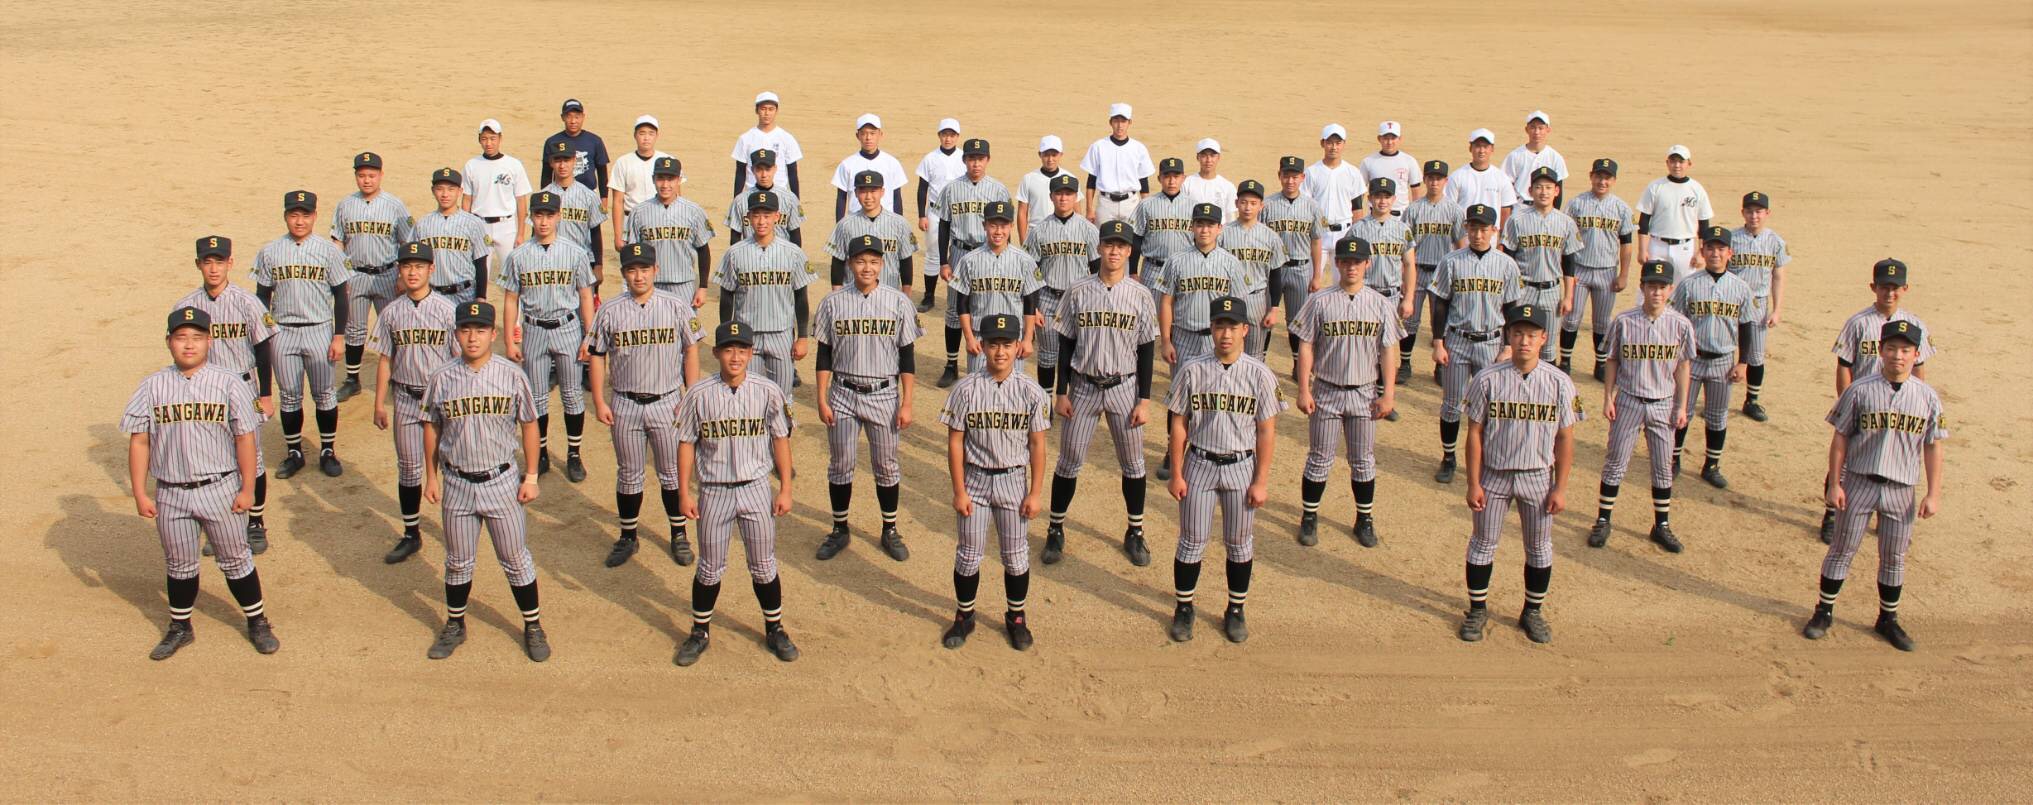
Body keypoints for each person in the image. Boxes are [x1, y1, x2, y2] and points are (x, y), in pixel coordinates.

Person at [125, 306, 275, 660]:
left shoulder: (229, 383)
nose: (188, 345)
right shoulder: (152, 386)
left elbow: (245, 438)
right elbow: (139, 440)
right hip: (171, 492)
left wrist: (249, 489)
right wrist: (139, 492)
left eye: (196, 338)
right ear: (168, 342)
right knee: (179, 565)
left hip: (219, 488)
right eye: (181, 338)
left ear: (209, 341)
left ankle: (257, 621)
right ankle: (181, 626)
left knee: (236, 560)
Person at [1801, 319, 1946, 653]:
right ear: (1880, 351)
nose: (1898, 356)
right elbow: (1840, 438)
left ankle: (1888, 619)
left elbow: (1934, 446)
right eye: (1892, 348)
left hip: (1902, 490)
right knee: (1841, 549)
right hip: (1859, 482)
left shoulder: (1927, 398)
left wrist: (1934, 493)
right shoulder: (1860, 390)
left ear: (1916, 354)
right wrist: (1835, 483)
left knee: (1894, 556)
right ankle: (1823, 612)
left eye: (1905, 350)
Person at [419, 300, 550, 663]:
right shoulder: (441, 377)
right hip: (457, 483)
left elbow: (529, 423)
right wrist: (430, 476)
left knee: (515, 559)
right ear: (456, 334)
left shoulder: (512, 375)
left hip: (501, 480)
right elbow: (431, 425)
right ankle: (455, 624)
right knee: (458, 561)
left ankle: (533, 625)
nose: (472, 337)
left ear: (494, 334)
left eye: (480, 330)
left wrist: (532, 476)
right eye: (465, 330)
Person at [673, 321, 801, 666]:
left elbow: (781, 439)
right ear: (716, 353)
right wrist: (684, 492)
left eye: (741, 350)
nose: (735, 357)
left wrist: (786, 488)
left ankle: (774, 628)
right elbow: (686, 444)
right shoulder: (698, 394)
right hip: (713, 491)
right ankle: (700, 631)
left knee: (763, 565)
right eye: (728, 349)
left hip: (756, 488)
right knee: (710, 568)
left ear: (751, 353)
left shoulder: (767, 391)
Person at [1458, 303, 1581, 644]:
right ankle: (1477, 609)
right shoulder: (1486, 379)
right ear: (1508, 336)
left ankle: (1533, 611)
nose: (1524, 341)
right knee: (1482, 544)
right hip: (1494, 475)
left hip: (1538, 478)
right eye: (1517, 333)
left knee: (1539, 547)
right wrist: (1473, 482)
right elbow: (1474, 432)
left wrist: (1561, 487)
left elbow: (1566, 437)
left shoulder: (1560, 383)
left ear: (1543, 338)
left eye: (1531, 334)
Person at [1163, 296, 1283, 643]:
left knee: (1239, 544)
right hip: (1199, 462)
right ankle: (1184, 607)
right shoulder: (1192, 369)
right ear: (1211, 330)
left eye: (1232, 326)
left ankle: (1235, 609)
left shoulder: (1259, 374)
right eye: (1219, 326)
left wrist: (1261, 480)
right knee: (1191, 542)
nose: (1225, 334)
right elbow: (1179, 423)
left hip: (1241, 465)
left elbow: (1266, 430)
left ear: (1245, 329)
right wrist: (1176, 472)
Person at [1045, 220, 1158, 566]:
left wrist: (1144, 398)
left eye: (1121, 246)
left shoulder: (1140, 295)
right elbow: (1065, 342)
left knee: (1133, 464)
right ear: (1099, 248)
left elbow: (1147, 348)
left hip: (1124, 387)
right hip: (1083, 386)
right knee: (1068, 461)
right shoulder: (1078, 290)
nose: (1114, 251)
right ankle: (1055, 529)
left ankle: (1135, 531)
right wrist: (1060, 391)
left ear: (1129, 252)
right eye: (1109, 244)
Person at [587, 243, 703, 568]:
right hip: (625, 402)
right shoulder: (609, 310)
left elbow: (692, 348)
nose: (639, 275)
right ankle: (628, 536)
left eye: (644, 269)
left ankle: (678, 533)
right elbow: (597, 355)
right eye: (632, 270)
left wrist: (690, 394)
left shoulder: (676, 306)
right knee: (629, 475)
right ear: (624, 274)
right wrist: (598, 399)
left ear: (656, 271)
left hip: (668, 402)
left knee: (671, 474)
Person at [939, 314, 1051, 651]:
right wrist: (958, 491)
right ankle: (964, 615)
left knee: (1016, 556)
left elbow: (1037, 444)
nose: (999, 351)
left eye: (1006, 344)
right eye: (993, 344)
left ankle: (1016, 617)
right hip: (975, 479)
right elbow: (955, 441)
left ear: (1018, 347)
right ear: (982, 347)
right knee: (968, 556)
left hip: (1013, 480)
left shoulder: (1031, 391)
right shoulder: (966, 389)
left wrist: (1035, 492)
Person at [813, 235, 921, 563]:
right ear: (849, 264)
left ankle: (890, 529)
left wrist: (907, 402)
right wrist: (821, 396)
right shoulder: (832, 303)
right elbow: (823, 353)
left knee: (886, 466)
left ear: (882, 265)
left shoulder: (899, 302)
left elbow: (907, 355)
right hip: (843, 392)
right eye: (861, 261)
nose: (867, 267)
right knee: (841, 464)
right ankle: (839, 528)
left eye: (874, 261)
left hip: (883, 394)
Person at [1292, 237, 1403, 547]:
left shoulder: (1380, 303)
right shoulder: (1320, 300)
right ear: (1337, 263)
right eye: (1345, 260)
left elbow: (1388, 350)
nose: (1351, 266)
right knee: (1319, 459)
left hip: (1365, 393)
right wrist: (1304, 388)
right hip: (1326, 389)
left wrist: (1388, 394)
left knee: (1363, 460)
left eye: (1357, 261)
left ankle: (1364, 518)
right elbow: (1306, 345)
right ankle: (1309, 516)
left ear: (1368, 264)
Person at [172, 236, 278, 556]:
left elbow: (263, 348)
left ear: (230, 263)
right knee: (214, 459)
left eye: (219, 261)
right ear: (198, 265)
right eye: (208, 261)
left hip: (243, 388)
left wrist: (265, 394)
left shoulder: (247, 302)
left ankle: (255, 522)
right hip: (203, 393)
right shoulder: (186, 307)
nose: (214, 268)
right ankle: (221, 523)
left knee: (253, 461)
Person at [1821, 258, 1935, 543]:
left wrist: (1916, 402)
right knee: (1846, 459)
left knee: (1892, 460)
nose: (1889, 293)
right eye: (1884, 287)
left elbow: (1919, 368)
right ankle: (1831, 513)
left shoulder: (1915, 326)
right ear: (1874, 287)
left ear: (1905, 288)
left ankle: (1888, 516)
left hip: (1899, 407)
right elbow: (1844, 364)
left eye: (1895, 288)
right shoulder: (1858, 322)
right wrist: (1847, 402)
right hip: (1864, 404)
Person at [1584, 261, 1694, 552]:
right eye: (1651, 286)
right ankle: (1603, 519)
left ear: (1670, 289)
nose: (1656, 292)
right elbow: (1612, 360)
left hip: (1662, 403)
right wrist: (1608, 397)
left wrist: (1682, 405)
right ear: (1642, 287)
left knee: (1662, 466)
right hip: (1629, 399)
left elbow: (1683, 366)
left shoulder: (1680, 324)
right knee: (1616, 462)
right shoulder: (1624, 320)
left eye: (1662, 287)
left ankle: (1662, 525)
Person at [370, 241, 459, 565]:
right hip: (406, 398)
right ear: (400, 270)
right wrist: (379, 403)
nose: (412, 271)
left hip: (439, 401)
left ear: (430, 270)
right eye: (407, 266)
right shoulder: (392, 311)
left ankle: (455, 526)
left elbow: (459, 360)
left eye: (419, 266)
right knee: (409, 468)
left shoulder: (448, 311)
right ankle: (411, 533)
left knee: (451, 465)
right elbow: (384, 359)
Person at [499, 190, 596, 482]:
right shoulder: (519, 255)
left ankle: (574, 453)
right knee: (537, 398)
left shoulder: (576, 252)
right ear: (530, 217)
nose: (543, 222)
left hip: (567, 326)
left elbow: (586, 296)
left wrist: (589, 336)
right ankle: (540, 452)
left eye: (549, 215)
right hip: (534, 329)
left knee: (572, 395)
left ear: (558, 216)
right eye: (538, 215)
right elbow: (509, 299)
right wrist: (509, 340)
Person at [254, 190, 352, 480]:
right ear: (285, 216)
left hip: (319, 329)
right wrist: (266, 332)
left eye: (305, 215)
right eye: (294, 214)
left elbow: (341, 295)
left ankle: (327, 450)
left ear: (314, 216)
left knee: (324, 395)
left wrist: (339, 335)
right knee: (289, 397)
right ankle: (294, 452)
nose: (299, 221)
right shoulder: (270, 251)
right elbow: (261, 295)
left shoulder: (329, 251)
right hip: (283, 332)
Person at [1427, 203, 1523, 484]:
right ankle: (1448, 457)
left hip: (1492, 342)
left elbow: (1512, 308)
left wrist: (1509, 346)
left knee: (1492, 405)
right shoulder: (1451, 261)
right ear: (1466, 228)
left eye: (1484, 228)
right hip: (1458, 340)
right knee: (1452, 404)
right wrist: (1437, 341)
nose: (1478, 234)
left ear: (1494, 231)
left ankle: (1489, 458)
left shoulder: (1506, 264)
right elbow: (1441, 304)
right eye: (1473, 227)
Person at [1155, 203, 1249, 484]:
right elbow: (1167, 301)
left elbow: (1240, 305)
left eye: (1210, 224)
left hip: (1218, 340)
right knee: (1179, 399)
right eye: (1200, 224)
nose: (1204, 229)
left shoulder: (1230, 263)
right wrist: (1166, 339)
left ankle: (1208, 447)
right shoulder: (1176, 260)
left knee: (1214, 394)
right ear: (1191, 226)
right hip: (1184, 336)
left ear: (1220, 228)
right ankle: (1173, 452)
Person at [1669, 227, 1752, 489]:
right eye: (1710, 248)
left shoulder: (1740, 288)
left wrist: (1743, 362)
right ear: (1702, 251)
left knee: (1717, 416)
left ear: (1730, 253)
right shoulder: (1689, 284)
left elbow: (1747, 326)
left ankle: (1711, 464)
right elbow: (1676, 322)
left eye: (1721, 249)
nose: (1715, 253)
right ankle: (1673, 459)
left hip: (1723, 360)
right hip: (1691, 359)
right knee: (1682, 411)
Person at [331, 151, 415, 402]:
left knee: (392, 326)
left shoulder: (395, 205)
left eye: (371, 175)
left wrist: (402, 274)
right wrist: (341, 277)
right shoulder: (345, 205)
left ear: (381, 175)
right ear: (356, 176)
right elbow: (337, 241)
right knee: (354, 328)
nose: (367, 180)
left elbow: (407, 241)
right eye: (361, 175)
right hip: (355, 274)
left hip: (387, 273)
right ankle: (353, 379)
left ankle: (397, 377)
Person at [717, 190, 814, 396]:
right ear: (749, 217)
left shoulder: (793, 253)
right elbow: (727, 296)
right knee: (748, 396)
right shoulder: (735, 253)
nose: (762, 221)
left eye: (767, 215)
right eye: (757, 215)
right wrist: (726, 333)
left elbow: (800, 297)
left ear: (777, 217)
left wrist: (803, 336)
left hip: (781, 334)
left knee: (782, 397)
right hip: (746, 334)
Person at [937, 138, 1015, 379]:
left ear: (987, 160)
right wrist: (943, 260)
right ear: (964, 160)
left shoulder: (998, 189)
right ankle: (951, 364)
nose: (976, 163)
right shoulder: (951, 189)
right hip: (960, 252)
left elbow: (1004, 228)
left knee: (986, 305)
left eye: (980, 159)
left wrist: (1005, 258)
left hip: (988, 251)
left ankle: (988, 360)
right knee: (953, 310)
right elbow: (944, 225)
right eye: (971, 158)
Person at [1561, 158, 1637, 377]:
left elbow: (1626, 244)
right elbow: (1566, 239)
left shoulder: (1621, 208)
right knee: (1572, 317)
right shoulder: (1576, 204)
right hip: (1580, 269)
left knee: (1602, 321)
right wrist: (1567, 272)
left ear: (1613, 180)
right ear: (1591, 176)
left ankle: (1601, 364)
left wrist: (1623, 274)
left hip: (1606, 271)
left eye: (1607, 177)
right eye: (1598, 176)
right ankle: (1565, 360)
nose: (1602, 181)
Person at [1025, 173, 1101, 391]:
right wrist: (1034, 307)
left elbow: (1097, 270)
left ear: (1076, 196)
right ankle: (1046, 404)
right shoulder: (1039, 231)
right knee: (1048, 355)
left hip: (1078, 299)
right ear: (1051, 197)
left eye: (1068, 194)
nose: (1063, 198)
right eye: (1059, 193)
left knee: (1078, 353)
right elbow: (1030, 272)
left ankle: (1072, 399)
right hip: (1048, 298)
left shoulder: (1088, 230)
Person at [1500, 167, 1583, 361]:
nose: (1543, 192)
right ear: (1530, 191)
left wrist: (1568, 296)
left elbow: (1569, 262)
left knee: (1547, 349)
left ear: (1556, 191)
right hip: (1523, 288)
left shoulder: (1566, 222)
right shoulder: (1517, 220)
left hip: (1551, 290)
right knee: (1519, 343)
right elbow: (1509, 259)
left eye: (1548, 187)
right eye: (1538, 187)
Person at [1346, 177, 1419, 398]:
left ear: (1394, 199)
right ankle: (1362, 392)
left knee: (1387, 347)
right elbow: (1348, 264)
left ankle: (1385, 396)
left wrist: (1409, 298)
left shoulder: (1402, 229)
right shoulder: (1358, 229)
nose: (1382, 201)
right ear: (1370, 199)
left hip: (1391, 294)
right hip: (1365, 293)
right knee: (1361, 344)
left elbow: (1409, 264)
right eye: (1377, 196)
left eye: (1387, 196)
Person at [951, 200, 1041, 378]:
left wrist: (1028, 339)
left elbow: (1031, 302)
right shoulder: (969, 260)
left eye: (1003, 226)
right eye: (993, 225)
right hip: (980, 338)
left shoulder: (1025, 261)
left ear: (1011, 226)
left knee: (1013, 393)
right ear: (984, 225)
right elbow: (962, 303)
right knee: (977, 392)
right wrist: (969, 338)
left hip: (1012, 340)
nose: (999, 231)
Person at [1400, 159, 1467, 382]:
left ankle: (1440, 365)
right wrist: (1403, 275)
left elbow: (1460, 244)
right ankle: (1405, 362)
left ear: (1445, 181)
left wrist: (1461, 273)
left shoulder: (1454, 211)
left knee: (1442, 321)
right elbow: (1404, 246)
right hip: (1418, 270)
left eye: (1439, 178)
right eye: (1431, 178)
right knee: (1410, 319)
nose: (1434, 182)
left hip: (1443, 272)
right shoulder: (1413, 209)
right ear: (1425, 180)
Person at [1727, 191, 1790, 422]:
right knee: (1723, 350)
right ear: (1742, 212)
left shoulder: (1776, 241)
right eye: (1749, 211)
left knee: (1755, 354)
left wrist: (1777, 309)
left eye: (1759, 211)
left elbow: (1778, 276)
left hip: (1758, 303)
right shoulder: (1731, 238)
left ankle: (1751, 400)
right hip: (1731, 301)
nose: (1754, 216)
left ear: (1767, 213)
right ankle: (1719, 398)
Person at [621, 156, 714, 308]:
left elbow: (703, 250)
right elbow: (631, 252)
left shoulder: (694, 211)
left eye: (670, 179)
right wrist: (628, 286)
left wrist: (703, 287)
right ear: (653, 179)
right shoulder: (639, 212)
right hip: (649, 285)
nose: (665, 184)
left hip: (683, 284)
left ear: (679, 180)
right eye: (660, 179)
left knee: (684, 330)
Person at [1263, 156, 1327, 363]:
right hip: (1272, 270)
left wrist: (1317, 275)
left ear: (1302, 178)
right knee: (1265, 316)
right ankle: (1260, 360)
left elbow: (1316, 242)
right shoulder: (1268, 205)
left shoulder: (1312, 206)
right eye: (1286, 176)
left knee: (1297, 321)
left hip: (1300, 268)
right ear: (1279, 176)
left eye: (1294, 176)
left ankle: (1298, 363)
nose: (1290, 181)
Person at [540, 99, 611, 272]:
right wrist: (545, 196)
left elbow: (602, 170)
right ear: (562, 117)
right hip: (557, 192)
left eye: (577, 116)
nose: (573, 120)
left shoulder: (594, 140)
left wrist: (603, 198)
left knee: (586, 235)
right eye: (569, 116)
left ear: (583, 117)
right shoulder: (552, 141)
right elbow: (545, 172)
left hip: (587, 194)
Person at [1217, 179, 1286, 360]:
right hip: (1229, 297)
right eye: (1244, 202)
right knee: (1227, 349)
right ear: (1236, 203)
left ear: (1261, 206)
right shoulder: (1222, 233)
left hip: (1258, 298)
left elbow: (1275, 275)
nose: (1248, 207)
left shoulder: (1271, 237)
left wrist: (1274, 308)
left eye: (1253, 203)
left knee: (1255, 353)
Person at [540, 140, 611, 296]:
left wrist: (598, 265)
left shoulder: (589, 195)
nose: (562, 165)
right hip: (551, 262)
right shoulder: (543, 196)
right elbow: (536, 233)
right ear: (551, 162)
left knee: (585, 310)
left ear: (574, 161)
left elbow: (595, 232)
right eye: (558, 160)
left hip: (583, 261)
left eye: (566, 160)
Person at [462, 119, 533, 275]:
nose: (489, 143)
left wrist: (520, 233)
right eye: (484, 138)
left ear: (500, 138)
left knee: (512, 274)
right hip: (480, 225)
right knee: (479, 274)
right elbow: (467, 199)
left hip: (506, 226)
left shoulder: (513, 165)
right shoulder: (471, 165)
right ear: (479, 140)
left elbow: (521, 201)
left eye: (493, 138)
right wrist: (465, 230)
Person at [826, 170, 917, 290]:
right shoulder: (844, 225)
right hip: (853, 296)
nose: (868, 197)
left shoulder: (900, 224)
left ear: (882, 192)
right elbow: (838, 262)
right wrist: (836, 295)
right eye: (863, 191)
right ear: (856, 193)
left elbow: (906, 261)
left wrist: (906, 293)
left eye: (873, 191)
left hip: (889, 295)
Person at [412, 168, 492, 303]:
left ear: (460, 192)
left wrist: (481, 296)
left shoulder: (473, 223)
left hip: (465, 294)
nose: (445, 194)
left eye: (451, 189)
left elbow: (480, 263)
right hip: (432, 295)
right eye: (440, 189)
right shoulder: (422, 224)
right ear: (433, 191)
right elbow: (414, 260)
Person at [1635, 145, 1712, 281]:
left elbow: (1704, 225)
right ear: (1667, 163)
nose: (1677, 165)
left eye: (1681, 161)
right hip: (1657, 245)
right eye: (1673, 161)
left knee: (1684, 290)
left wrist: (1701, 252)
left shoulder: (1697, 189)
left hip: (1685, 247)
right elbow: (1644, 221)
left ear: (1689, 163)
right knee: (1650, 287)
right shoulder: (1655, 187)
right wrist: (1642, 250)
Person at [1132, 157, 1195, 311]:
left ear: (1183, 178)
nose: (1171, 181)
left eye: (1176, 176)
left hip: (1184, 268)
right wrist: (1133, 270)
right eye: (1167, 176)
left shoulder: (1194, 206)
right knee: (1149, 315)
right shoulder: (1146, 204)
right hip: (1152, 268)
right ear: (1160, 178)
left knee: (1181, 315)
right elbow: (1136, 238)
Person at [609, 114, 677, 253]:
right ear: (635, 135)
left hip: (661, 220)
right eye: (642, 133)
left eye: (651, 133)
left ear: (657, 136)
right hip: (632, 221)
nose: (646, 138)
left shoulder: (668, 160)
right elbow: (617, 201)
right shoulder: (623, 162)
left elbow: (676, 196)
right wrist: (618, 236)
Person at [1081, 103, 1155, 224]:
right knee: (1104, 240)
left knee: (1133, 240)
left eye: (1123, 121)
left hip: (1131, 204)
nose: (1120, 125)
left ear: (1129, 122)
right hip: (1106, 203)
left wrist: (1145, 208)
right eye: (1116, 121)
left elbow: (1143, 181)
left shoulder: (1138, 148)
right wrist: (1089, 209)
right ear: (1110, 122)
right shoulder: (1098, 146)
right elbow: (1091, 180)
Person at [915, 118, 966, 291]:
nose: (948, 139)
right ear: (939, 135)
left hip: (960, 212)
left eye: (952, 135)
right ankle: (929, 295)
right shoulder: (930, 158)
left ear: (957, 136)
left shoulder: (964, 158)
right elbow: (922, 189)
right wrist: (922, 215)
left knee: (961, 253)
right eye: (945, 134)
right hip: (936, 211)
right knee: (933, 254)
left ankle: (958, 295)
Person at [1304, 124, 1365, 267]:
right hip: (1319, 233)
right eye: (1329, 142)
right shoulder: (1311, 172)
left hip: (1344, 233)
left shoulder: (1352, 172)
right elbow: (1305, 205)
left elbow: (1357, 207)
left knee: (1344, 283)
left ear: (1344, 144)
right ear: (1322, 143)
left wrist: (1355, 235)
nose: (1334, 147)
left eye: (1338, 143)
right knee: (1313, 282)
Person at [829, 113, 908, 219]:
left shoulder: (892, 163)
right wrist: (839, 226)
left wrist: (899, 224)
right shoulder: (847, 164)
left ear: (880, 134)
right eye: (863, 133)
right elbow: (841, 198)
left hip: (886, 221)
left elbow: (897, 197)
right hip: (856, 221)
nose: (868, 138)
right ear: (857, 136)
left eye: (872, 133)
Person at [725, 149, 804, 247]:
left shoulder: (790, 199)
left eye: (768, 169)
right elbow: (735, 238)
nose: (764, 175)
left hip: (782, 257)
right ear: (752, 170)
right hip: (750, 256)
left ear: (775, 168)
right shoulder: (740, 201)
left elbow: (795, 235)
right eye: (759, 169)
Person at [731, 91, 803, 196]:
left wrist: (796, 202)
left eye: (771, 109)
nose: (767, 113)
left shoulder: (787, 138)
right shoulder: (745, 138)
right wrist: (736, 199)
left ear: (776, 111)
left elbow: (792, 173)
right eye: (763, 109)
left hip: (779, 194)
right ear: (757, 110)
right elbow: (740, 172)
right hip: (752, 194)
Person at [1445, 129, 1516, 230]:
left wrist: (1501, 241)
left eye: (1485, 147)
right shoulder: (1457, 176)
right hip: (1463, 236)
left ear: (1492, 149)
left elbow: (1505, 211)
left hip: (1492, 238)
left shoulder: (1502, 178)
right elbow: (1449, 209)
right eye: (1477, 146)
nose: (1481, 151)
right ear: (1470, 148)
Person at [1500, 111, 1567, 208]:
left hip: (1545, 207)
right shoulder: (1515, 155)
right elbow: (1506, 186)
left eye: (1541, 128)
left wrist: (1554, 212)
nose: (1537, 132)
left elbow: (1558, 190)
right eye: (1533, 127)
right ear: (1526, 129)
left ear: (1548, 130)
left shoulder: (1555, 157)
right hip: (1520, 206)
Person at [1015, 135, 1072, 238]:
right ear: (1040, 155)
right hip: (1036, 233)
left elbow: (1076, 210)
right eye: (1046, 155)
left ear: (1061, 155)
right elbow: (1022, 213)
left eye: (1054, 155)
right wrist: (1024, 243)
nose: (1050, 159)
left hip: (1063, 233)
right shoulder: (1028, 179)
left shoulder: (1070, 178)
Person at [1357, 121, 1420, 212]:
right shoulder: (1368, 162)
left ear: (1400, 138)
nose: (1389, 142)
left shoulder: (1409, 161)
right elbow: (1360, 192)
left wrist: (1415, 215)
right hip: (1374, 215)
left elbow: (1416, 192)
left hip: (1400, 217)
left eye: (1393, 138)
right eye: (1386, 138)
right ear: (1379, 139)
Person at [1182, 138, 1237, 223]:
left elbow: (1230, 217)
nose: (1208, 160)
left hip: (1220, 233)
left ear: (1218, 157)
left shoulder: (1228, 186)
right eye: (1204, 155)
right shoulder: (1186, 183)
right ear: (1197, 157)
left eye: (1212, 155)